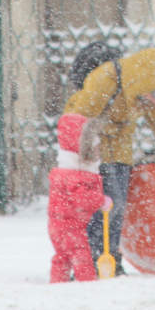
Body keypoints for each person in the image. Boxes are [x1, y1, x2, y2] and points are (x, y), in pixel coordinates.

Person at [63, 45, 155, 275]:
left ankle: (110, 259)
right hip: (95, 150)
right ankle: (90, 258)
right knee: (105, 205)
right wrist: (79, 151)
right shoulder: (105, 80)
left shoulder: (143, 96)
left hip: (120, 151)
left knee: (117, 208)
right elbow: (79, 115)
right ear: (144, 81)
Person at [47, 113, 111, 283]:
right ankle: (87, 284)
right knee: (81, 256)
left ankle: (57, 282)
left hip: (57, 225)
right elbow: (83, 199)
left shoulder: (64, 173)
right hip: (71, 227)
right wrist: (101, 201)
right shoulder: (76, 176)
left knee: (62, 256)